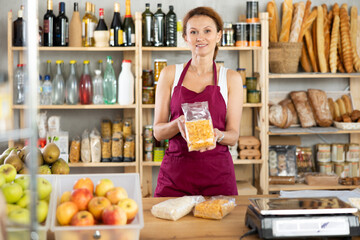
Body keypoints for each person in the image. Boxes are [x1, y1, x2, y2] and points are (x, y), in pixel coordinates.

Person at [153, 6, 243, 197]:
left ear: (218, 35)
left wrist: (216, 134)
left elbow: (233, 136)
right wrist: (178, 124)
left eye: (207, 31)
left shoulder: (231, 79)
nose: (200, 37)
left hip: (217, 177)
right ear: (185, 37)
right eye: (193, 32)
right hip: (175, 176)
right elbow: (158, 132)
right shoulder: (169, 74)